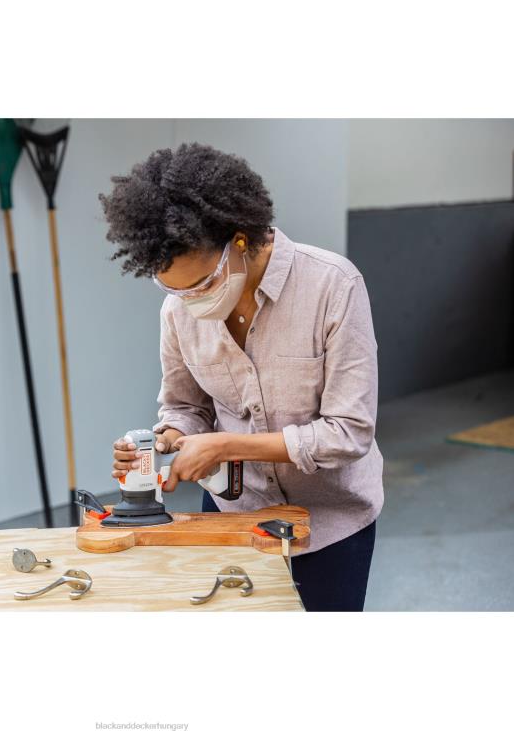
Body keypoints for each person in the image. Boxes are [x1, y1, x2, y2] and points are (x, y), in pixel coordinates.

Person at [98, 142, 383, 611]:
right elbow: (186, 407)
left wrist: (226, 446)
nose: (192, 301)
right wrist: (166, 441)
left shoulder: (334, 286)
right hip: (233, 510)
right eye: (175, 289)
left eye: (203, 284)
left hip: (330, 520)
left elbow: (348, 433)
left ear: (240, 242)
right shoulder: (178, 310)